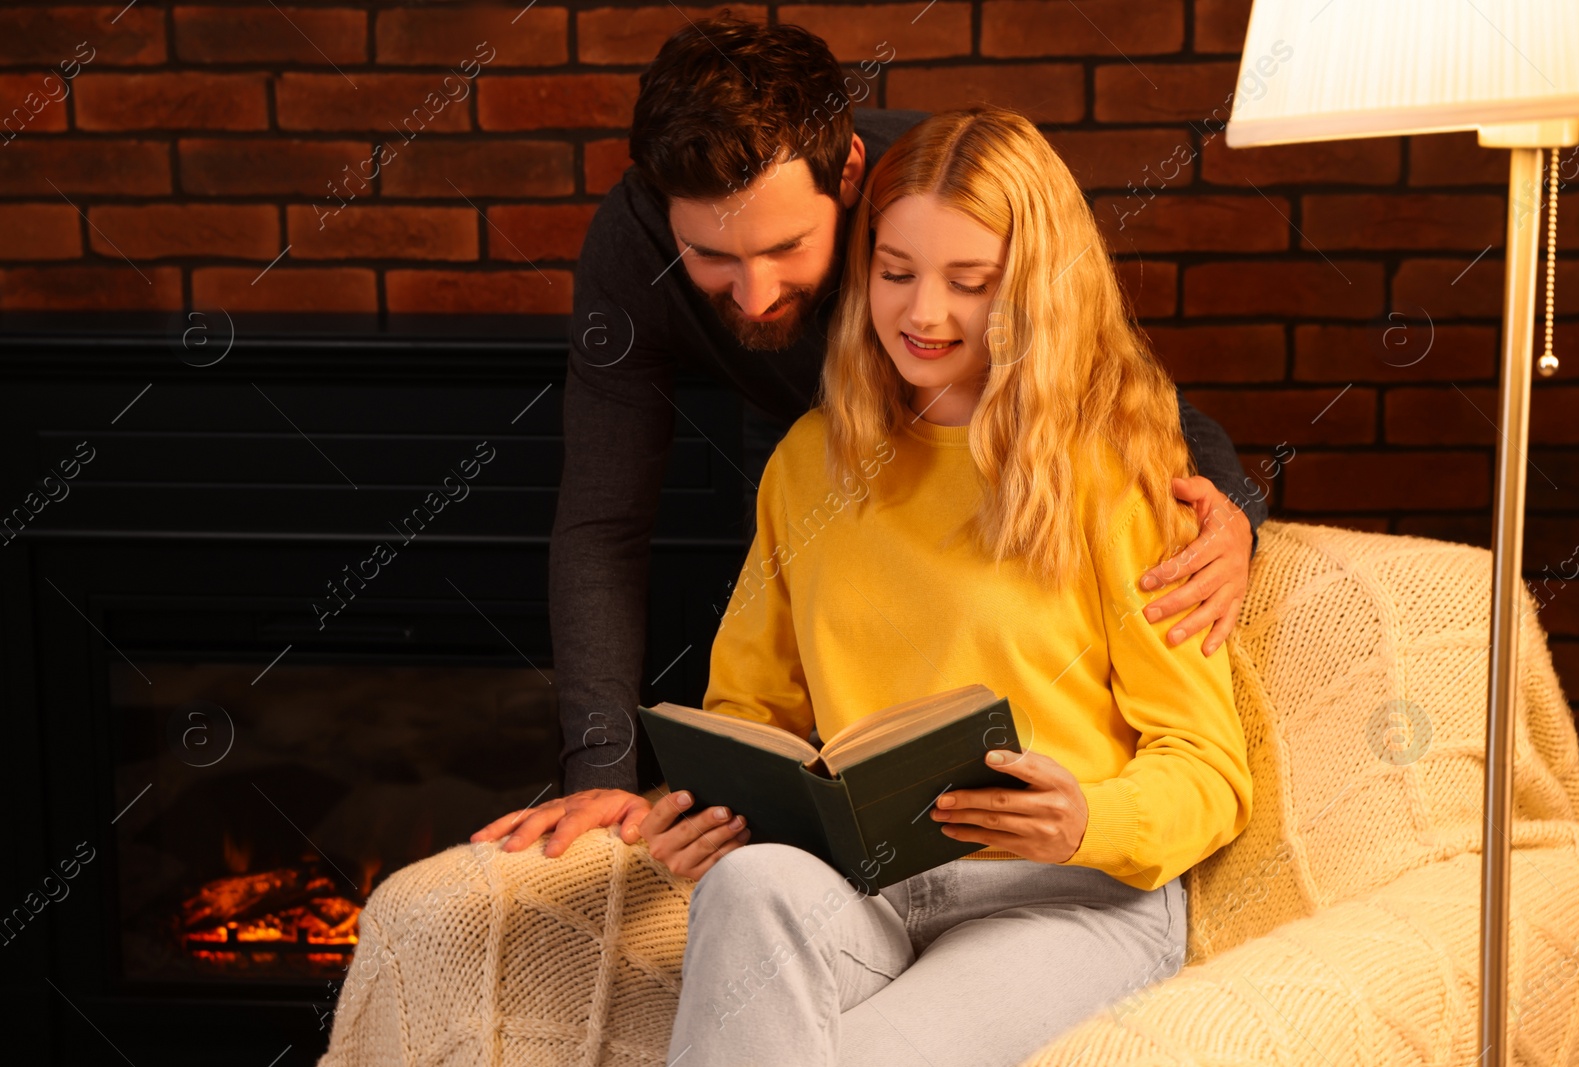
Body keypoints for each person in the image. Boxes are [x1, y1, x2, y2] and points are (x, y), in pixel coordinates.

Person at [470, 13, 1263, 858]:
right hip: (812, 448)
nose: (752, 295)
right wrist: (603, 768)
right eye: (711, 256)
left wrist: (1230, 513)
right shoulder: (636, 251)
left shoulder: (935, 192)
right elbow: (603, 521)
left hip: (975, 454)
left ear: (850, 177)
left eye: (785, 247)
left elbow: (1112, 396)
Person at [647, 104, 1252, 1066]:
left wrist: (1087, 818)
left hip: (1069, 899)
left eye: (971, 284)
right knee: (748, 887)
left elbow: (1209, 767)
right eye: (895, 273)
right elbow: (748, 707)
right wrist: (706, 820)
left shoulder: (1115, 469)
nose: (923, 315)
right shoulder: (811, 463)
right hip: (870, 891)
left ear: (1036, 290)